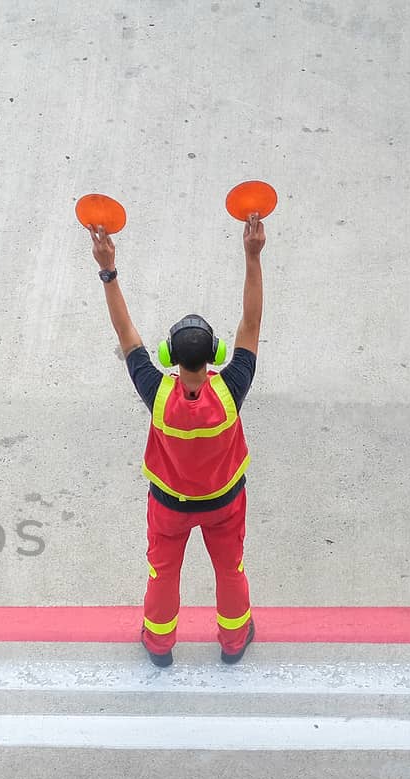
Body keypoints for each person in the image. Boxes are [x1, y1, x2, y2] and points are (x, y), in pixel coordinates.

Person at [89, 213, 266, 667]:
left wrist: (108, 271)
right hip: (225, 503)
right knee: (230, 569)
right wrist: (252, 256)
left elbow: (125, 334)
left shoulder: (157, 391)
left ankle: (160, 645)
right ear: (216, 355)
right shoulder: (232, 387)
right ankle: (231, 642)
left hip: (168, 506)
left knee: (162, 573)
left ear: (168, 355)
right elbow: (251, 321)